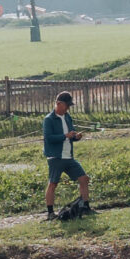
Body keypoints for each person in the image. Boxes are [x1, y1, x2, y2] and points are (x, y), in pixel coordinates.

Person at [44, 91, 94, 219]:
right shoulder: (49, 119)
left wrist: (76, 137)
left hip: (68, 156)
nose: (67, 108)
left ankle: (85, 207)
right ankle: (50, 212)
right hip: (56, 157)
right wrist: (65, 136)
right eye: (66, 105)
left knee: (84, 179)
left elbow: (70, 136)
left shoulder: (67, 117)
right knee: (53, 183)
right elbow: (49, 138)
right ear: (58, 103)